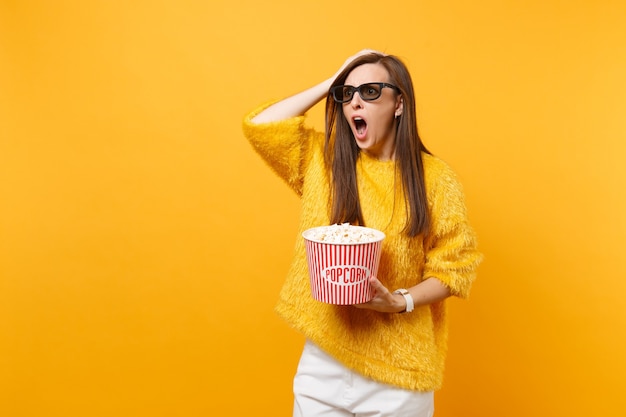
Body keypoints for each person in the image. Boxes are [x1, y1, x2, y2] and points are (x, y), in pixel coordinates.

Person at [242, 50, 483, 417]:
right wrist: (331, 82)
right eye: (347, 93)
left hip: (400, 374)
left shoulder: (435, 179)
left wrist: (399, 301)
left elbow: (455, 269)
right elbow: (260, 126)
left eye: (370, 91)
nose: (355, 101)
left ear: (399, 103)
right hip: (324, 362)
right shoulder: (324, 163)